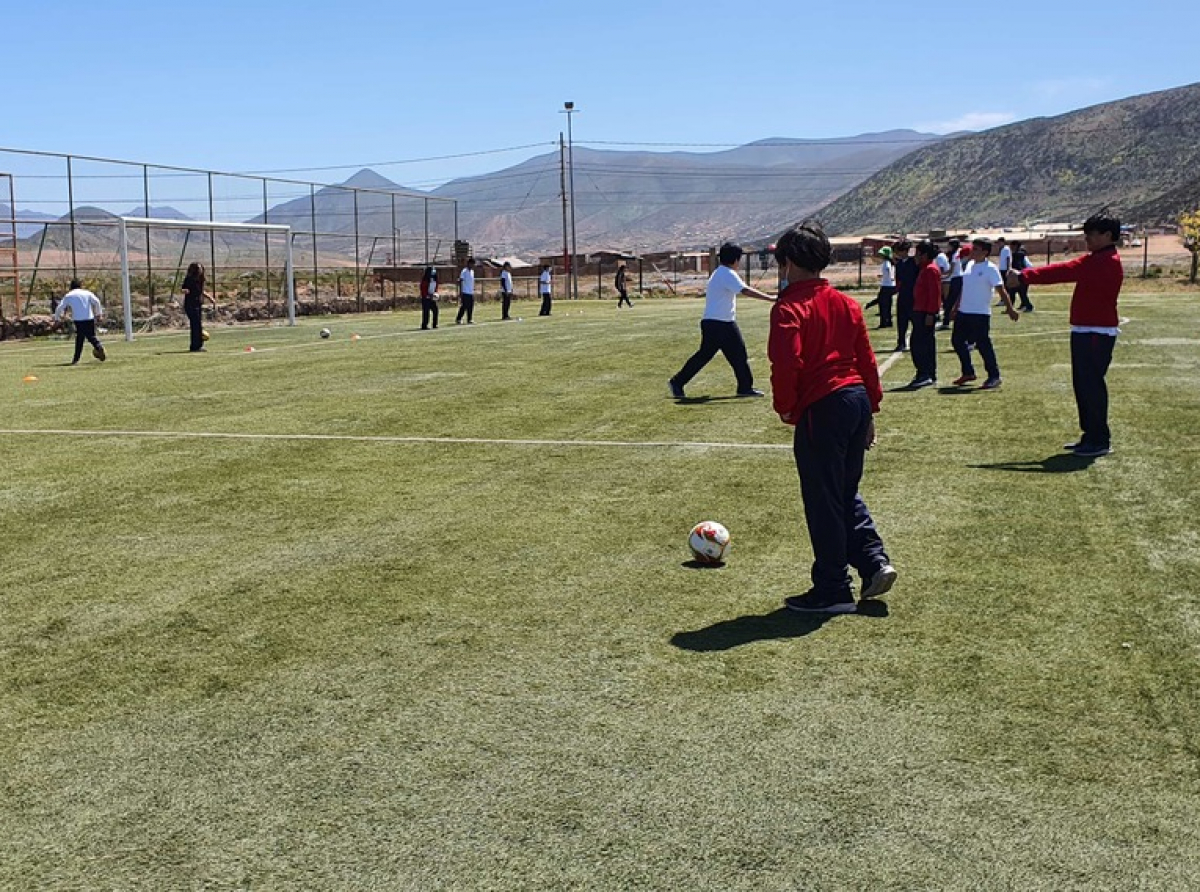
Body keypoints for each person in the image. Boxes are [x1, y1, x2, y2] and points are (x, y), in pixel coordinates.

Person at [768, 222, 896, 614]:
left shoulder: (789, 306)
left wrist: (785, 406)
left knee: (823, 499)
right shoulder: (847, 303)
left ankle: (832, 588)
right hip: (855, 399)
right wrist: (871, 408)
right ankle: (874, 561)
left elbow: (786, 362)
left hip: (823, 405)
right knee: (843, 491)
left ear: (787, 263)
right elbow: (866, 360)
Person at [1018, 210, 1124, 457]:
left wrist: (1024, 276)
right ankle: (1090, 435)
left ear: (1107, 235)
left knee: (1091, 386)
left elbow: (1063, 271)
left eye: (1091, 235)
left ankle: (1099, 439)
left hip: (1096, 331)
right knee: (1084, 385)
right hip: (1087, 329)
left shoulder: (1103, 261)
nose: (1087, 239)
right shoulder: (1099, 259)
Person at [668, 242, 774, 399]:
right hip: (720, 323)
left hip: (717, 322)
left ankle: (744, 387)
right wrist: (770, 298)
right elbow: (744, 290)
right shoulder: (727, 274)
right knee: (729, 355)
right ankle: (678, 382)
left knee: (729, 355)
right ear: (735, 259)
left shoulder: (720, 272)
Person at [949, 238, 1020, 389]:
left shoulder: (990, 269)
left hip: (980, 314)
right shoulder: (968, 265)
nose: (972, 251)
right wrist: (956, 306)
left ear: (985, 252)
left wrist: (1010, 308)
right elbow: (964, 288)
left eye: (975, 249)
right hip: (964, 312)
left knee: (983, 345)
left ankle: (994, 376)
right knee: (957, 341)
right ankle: (968, 372)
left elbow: (1001, 290)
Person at [907, 241, 942, 388]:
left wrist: (931, 313)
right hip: (919, 310)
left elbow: (935, 294)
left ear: (925, 255)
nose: (915, 257)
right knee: (919, 343)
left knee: (921, 344)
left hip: (924, 312)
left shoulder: (930, 270)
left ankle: (925, 373)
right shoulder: (924, 269)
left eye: (918, 253)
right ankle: (926, 373)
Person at [53, 278, 106, 364]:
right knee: (90, 336)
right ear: (80, 286)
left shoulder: (69, 295)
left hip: (78, 320)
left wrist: (57, 319)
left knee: (80, 339)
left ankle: (77, 359)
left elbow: (59, 308)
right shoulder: (87, 293)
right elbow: (96, 301)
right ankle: (98, 347)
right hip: (89, 318)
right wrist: (99, 314)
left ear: (71, 287)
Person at [182, 262, 216, 352]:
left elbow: (201, 291)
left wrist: (210, 298)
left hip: (198, 304)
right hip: (190, 305)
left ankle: (198, 345)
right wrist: (185, 290)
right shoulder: (189, 279)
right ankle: (195, 346)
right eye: (199, 269)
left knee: (198, 325)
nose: (200, 270)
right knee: (196, 325)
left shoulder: (200, 280)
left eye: (201, 268)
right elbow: (183, 288)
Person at [893, 240, 918, 352]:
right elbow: (898, 279)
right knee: (901, 321)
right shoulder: (898, 264)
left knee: (915, 320)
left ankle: (916, 342)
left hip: (912, 295)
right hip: (902, 295)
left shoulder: (914, 263)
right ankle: (901, 342)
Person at [863, 246, 895, 328]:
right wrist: (883, 275)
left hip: (886, 285)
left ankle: (884, 322)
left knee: (883, 304)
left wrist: (890, 276)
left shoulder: (887, 263)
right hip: (889, 285)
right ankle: (888, 322)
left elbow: (889, 270)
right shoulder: (888, 262)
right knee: (886, 304)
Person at [940, 239, 963, 330]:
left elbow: (951, 271)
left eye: (949, 245)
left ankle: (946, 322)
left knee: (950, 301)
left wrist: (942, 276)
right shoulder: (956, 254)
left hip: (956, 279)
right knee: (952, 301)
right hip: (956, 278)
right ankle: (947, 320)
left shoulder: (955, 255)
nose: (947, 247)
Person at [1008, 240, 1034, 311]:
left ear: (1015, 246)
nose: (1010, 247)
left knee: (1018, 292)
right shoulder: (1020, 254)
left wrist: (1013, 272)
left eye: (1012, 246)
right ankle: (1023, 306)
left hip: (1019, 275)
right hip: (1021, 274)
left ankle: (1028, 306)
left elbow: (1018, 265)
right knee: (1016, 292)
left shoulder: (1017, 255)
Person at [456, 257, 476, 324]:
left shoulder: (472, 272)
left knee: (471, 306)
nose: (473, 266)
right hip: (465, 292)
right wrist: (461, 292)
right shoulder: (464, 271)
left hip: (471, 292)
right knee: (464, 306)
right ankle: (458, 319)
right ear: (469, 263)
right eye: (472, 264)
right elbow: (461, 281)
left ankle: (469, 319)